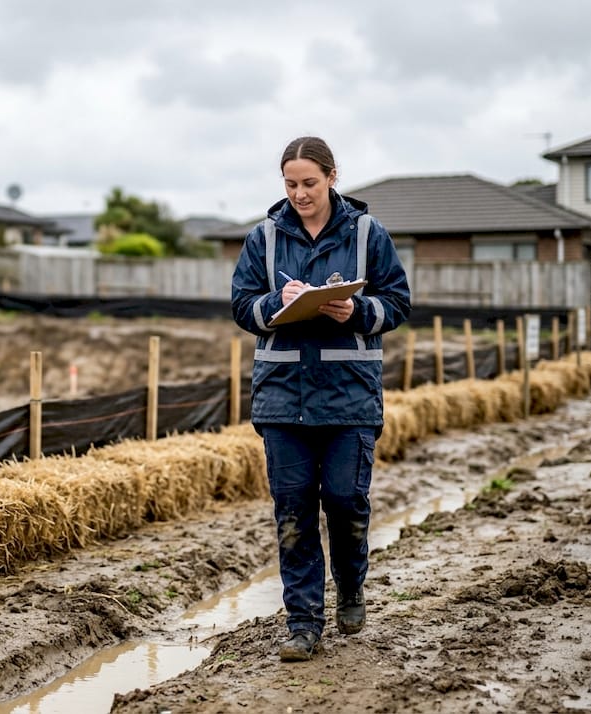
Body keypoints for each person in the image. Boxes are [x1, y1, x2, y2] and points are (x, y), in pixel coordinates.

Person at [230, 136, 410, 661]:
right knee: (292, 512)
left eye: (310, 183)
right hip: (282, 399)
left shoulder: (367, 233)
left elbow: (397, 303)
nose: (300, 193)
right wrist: (274, 303)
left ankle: (351, 587)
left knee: (345, 501)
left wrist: (354, 312)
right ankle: (303, 624)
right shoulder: (263, 238)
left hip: (349, 398)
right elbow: (242, 306)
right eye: (290, 184)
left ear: (333, 177)